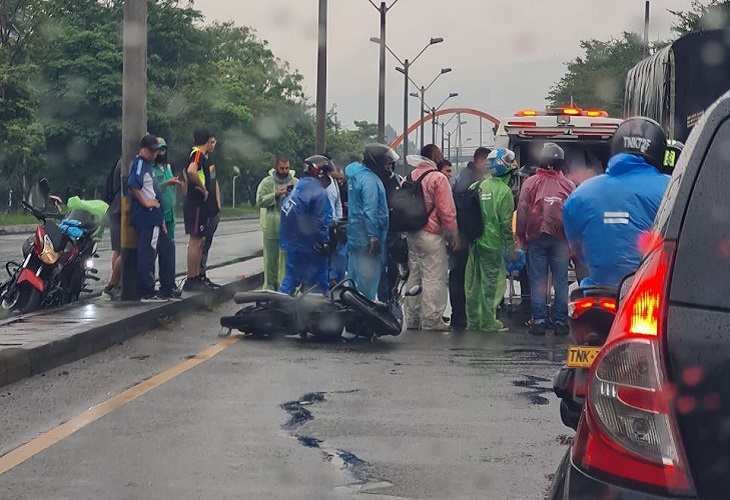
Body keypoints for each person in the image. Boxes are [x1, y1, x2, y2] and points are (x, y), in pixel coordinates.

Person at [563, 117, 670, 288]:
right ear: (659, 151)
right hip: (652, 289)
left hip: (597, 288)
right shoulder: (672, 187)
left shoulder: (581, 193)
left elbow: (576, 247)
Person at [516, 143, 575, 336]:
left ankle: (539, 321)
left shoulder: (530, 183)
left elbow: (522, 211)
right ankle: (559, 322)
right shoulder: (568, 185)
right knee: (561, 280)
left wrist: (520, 238)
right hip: (561, 239)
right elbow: (573, 214)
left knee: (538, 280)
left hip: (536, 238)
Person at [404, 146, 459, 332]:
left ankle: (412, 318)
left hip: (412, 233)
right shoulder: (438, 178)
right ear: (436, 157)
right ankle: (432, 320)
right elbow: (446, 210)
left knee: (415, 274)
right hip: (432, 234)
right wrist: (454, 233)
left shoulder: (411, 176)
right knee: (434, 277)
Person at [465, 149, 520, 332]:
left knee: (474, 283)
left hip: (474, 243)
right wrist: (511, 248)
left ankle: (473, 321)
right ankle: (489, 322)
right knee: (492, 285)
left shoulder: (477, 186)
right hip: (493, 245)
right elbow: (506, 226)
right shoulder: (504, 192)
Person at [126, 134, 177, 301]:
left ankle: (164, 286)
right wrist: (146, 202)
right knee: (147, 252)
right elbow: (133, 184)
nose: (155, 154)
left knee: (160, 249)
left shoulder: (148, 165)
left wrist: (160, 217)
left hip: (155, 217)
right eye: (152, 151)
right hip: (147, 216)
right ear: (143, 149)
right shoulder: (140, 164)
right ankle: (147, 290)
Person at [449, 147, 491, 330]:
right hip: (465, 235)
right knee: (462, 276)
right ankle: (461, 316)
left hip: (460, 233)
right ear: (481, 161)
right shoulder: (473, 179)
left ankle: (459, 315)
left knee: (459, 275)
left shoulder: (463, 175)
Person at [279, 156, 334, 295]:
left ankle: (277, 306)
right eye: (327, 175)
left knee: (290, 278)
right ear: (320, 173)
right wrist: (325, 242)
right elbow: (321, 221)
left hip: (294, 243)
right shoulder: (319, 192)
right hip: (312, 245)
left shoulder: (299, 187)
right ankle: (319, 312)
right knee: (318, 281)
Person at [345, 144, 393, 300]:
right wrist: (373, 237)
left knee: (355, 278)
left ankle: (353, 312)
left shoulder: (355, 176)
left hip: (355, 236)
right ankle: (365, 314)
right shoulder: (370, 180)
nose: (388, 167)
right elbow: (370, 210)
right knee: (368, 281)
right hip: (367, 239)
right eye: (386, 162)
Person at [256, 155, 297, 290]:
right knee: (270, 262)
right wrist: (276, 195)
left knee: (288, 261)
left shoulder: (296, 182)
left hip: (290, 229)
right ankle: (269, 288)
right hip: (272, 228)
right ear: (275, 167)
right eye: (282, 168)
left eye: (287, 168)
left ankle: (286, 288)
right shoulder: (267, 182)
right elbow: (260, 201)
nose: (284, 171)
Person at [182, 129, 217, 292]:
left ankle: (196, 276)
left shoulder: (202, 156)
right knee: (195, 241)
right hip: (195, 201)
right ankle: (191, 278)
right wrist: (202, 188)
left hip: (200, 203)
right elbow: (190, 170)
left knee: (200, 240)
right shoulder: (197, 154)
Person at [378, 158, 404, 302]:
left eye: (390, 164)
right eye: (385, 164)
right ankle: (383, 297)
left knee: (394, 263)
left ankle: (392, 294)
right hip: (381, 228)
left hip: (394, 227)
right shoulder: (375, 181)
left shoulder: (397, 180)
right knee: (380, 265)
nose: (388, 167)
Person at [199, 135, 222, 287]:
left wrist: (218, 204)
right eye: (210, 142)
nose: (212, 145)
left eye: (214, 142)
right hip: (202, 208)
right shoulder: (197, 158)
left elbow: (215, 182)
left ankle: (203, 273)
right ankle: (197, 274)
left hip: (214, 209)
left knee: (207, 243)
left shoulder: (211, 160)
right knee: (199, 242)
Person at [153, 138, 182, 243]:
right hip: (159, 212)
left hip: (170, 213)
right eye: (159, 150)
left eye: (163, 150)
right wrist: (168, 183)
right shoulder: (151, 169)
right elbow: (153, 189)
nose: (161, 153)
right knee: (156, 243)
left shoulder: (167, 167)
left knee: (169, 243)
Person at [103, 159, 123, 301]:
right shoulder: (127, 162)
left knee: (118, 249)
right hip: (122, 208)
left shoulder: (120, 161)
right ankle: (114, 284)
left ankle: (118, 284)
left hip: (116, 207)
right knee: (124, 250)